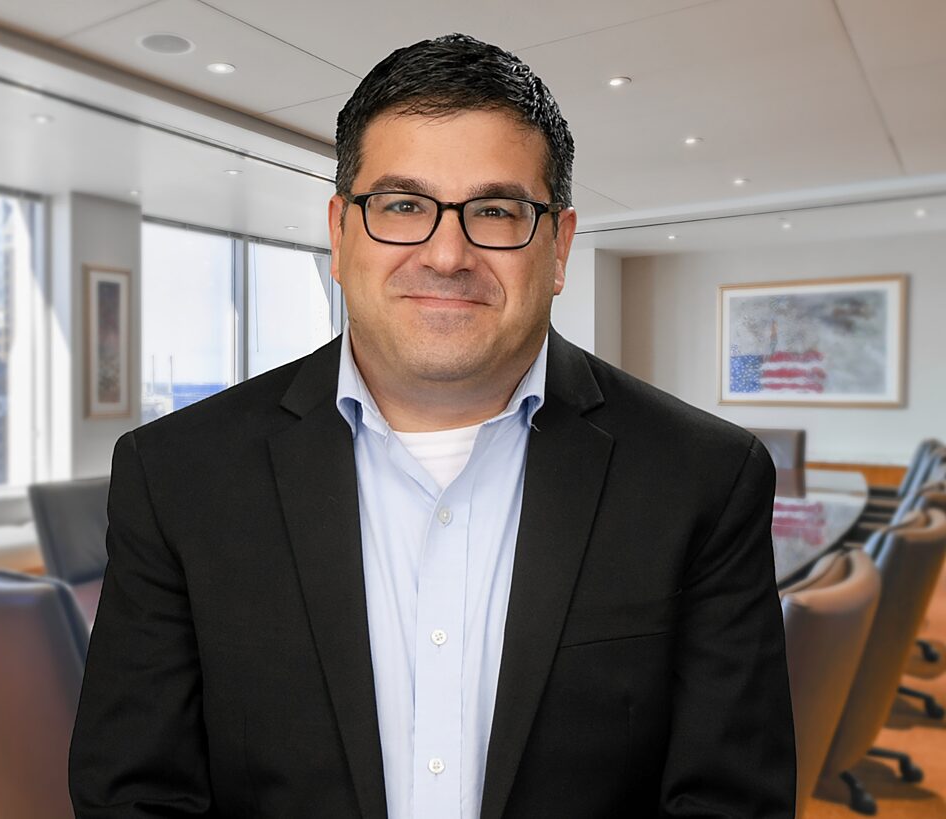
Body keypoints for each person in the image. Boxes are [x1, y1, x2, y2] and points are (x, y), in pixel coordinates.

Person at [70, 33, 795, 819]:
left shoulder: (704, 479)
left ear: (558, 247)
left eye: (496, 211)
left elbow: (731, 802)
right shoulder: (178, 476)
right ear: (340, 234)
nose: (447, 254)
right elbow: (135, 794)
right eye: (404, 205)